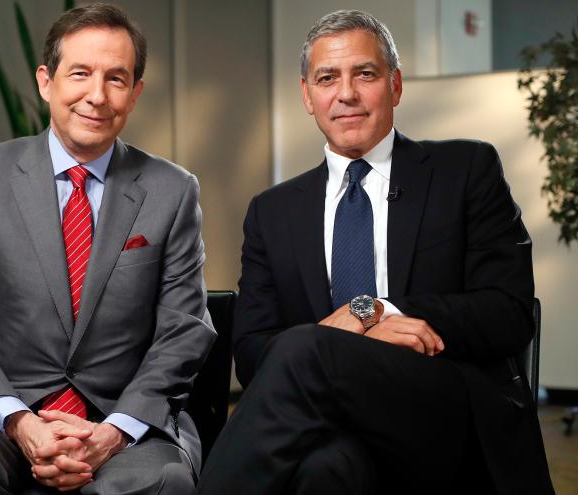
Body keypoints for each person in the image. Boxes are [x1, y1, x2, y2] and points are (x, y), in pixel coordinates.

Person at [196, 9, 553, 495]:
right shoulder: (272, 212)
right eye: (327, 78)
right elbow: (254, 356)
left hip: (445, 412)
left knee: (304, 346)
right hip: (332, 424)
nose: (346, 94)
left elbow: (509, 313)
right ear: (307, 95)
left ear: (396, 85)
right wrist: (327, 340)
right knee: (326, 470)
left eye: (365, 74)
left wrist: (371, 311)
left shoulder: (465, 169)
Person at [0, 4, 215, 494]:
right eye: (80, 73)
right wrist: (21, 422)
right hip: (1, 414)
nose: (96, 95)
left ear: (134, 94)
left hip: (121, 417)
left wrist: (112, 432)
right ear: (46, 82)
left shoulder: (172, 190)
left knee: (160, 480)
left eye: (116, 78)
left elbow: (183, 331)